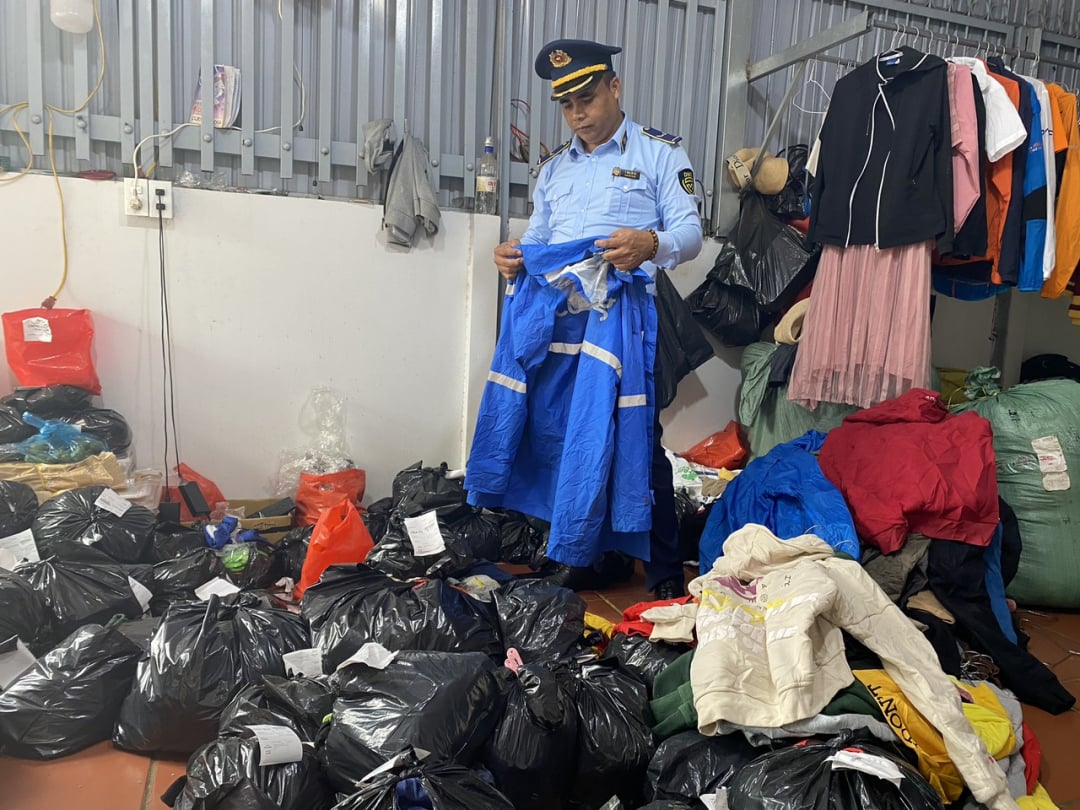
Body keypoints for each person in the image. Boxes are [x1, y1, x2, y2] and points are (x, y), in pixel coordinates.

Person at [493, 38, 703, 598]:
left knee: (638, 437)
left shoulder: (659, 154)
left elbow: (690, 235)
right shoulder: (554, 170)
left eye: (587, 97)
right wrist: (513, 252)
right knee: (568, 434)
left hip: (631, 324)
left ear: (615, 87)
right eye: (566, 104)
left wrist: (650, 241)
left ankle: (662, 574)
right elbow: (539, 236)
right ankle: (586, 553)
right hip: (563, 324)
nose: (578, 114)